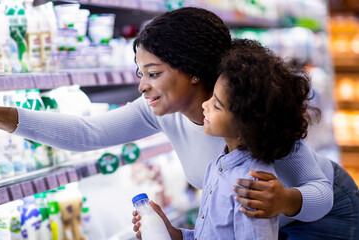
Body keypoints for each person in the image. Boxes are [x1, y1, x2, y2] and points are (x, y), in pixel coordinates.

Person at [0, 7, 357, 239]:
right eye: (140, 73)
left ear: (193, 71)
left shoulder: (253, 114)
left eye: (153, 74)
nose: (142, 87)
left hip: (326, 215)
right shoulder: (168, 114)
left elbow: (318, 192)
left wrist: (286, 201)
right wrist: (2, 116)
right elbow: (88, 133)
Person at [134, 37, 319, 239]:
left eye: (216, 105)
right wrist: (175, 235)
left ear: (245, 123)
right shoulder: (218, 166)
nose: (205, 104)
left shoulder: (251, 184)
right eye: (211, 97)